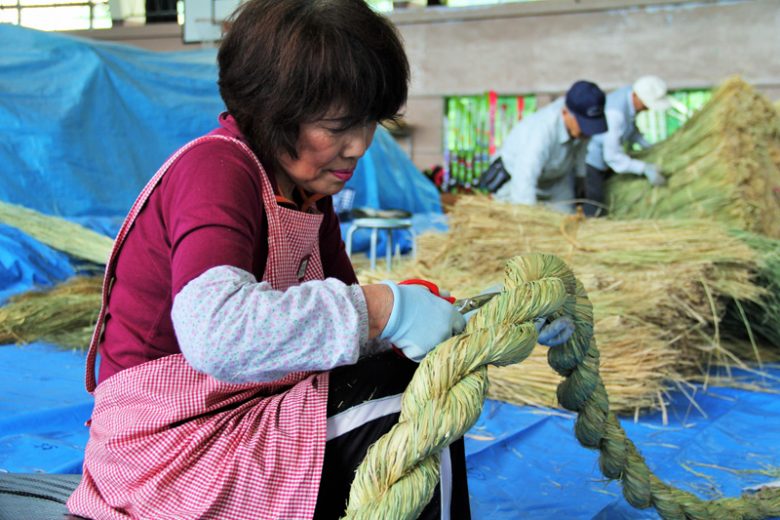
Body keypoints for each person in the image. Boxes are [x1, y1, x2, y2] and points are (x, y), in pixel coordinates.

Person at [65, 1, 572, 519]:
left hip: (244, 406)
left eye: (370, 122)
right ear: (270, 113)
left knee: (427, 380)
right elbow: (215, 333)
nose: (358, 147)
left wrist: (474, 318)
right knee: (406, 408)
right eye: (335, 126)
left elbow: (344, 336)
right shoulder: (216, 170)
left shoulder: (308, 193)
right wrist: (383, 309)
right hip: (170, 449)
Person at [482, 80, 608, 214]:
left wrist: (580, 179)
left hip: (554, 182)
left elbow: (581, 153)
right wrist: (528, 218)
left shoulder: (580, 132)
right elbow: (524, 178)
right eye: (583, 126)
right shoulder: (542, 131)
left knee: (566, 223)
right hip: (516, 181)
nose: (587, 133)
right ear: (565, 112)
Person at [582, 75, 673, 216]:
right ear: (636, 96)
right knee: (596, 205)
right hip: (592, 161)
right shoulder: (615, 114)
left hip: (606, 159)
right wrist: (644, 168)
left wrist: (651, 147)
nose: (647, 109)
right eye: (645, 104)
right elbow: (612, 156)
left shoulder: (628, 96)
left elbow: (631, 131)